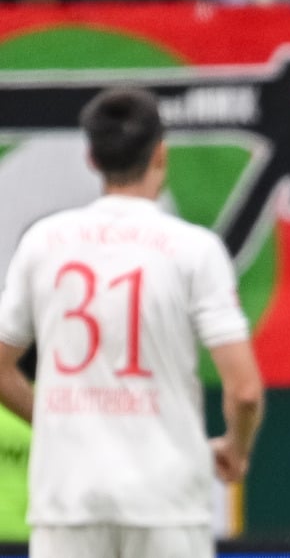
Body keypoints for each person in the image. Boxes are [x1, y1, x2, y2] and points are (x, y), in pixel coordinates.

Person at [0, 87, 264, 558]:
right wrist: (237, 452)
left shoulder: (44, 242)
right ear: (160, 153)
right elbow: (243, 390)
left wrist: (55, 421)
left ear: (91, 157)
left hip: (68, 497)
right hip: (166, 500)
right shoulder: (195, 250)